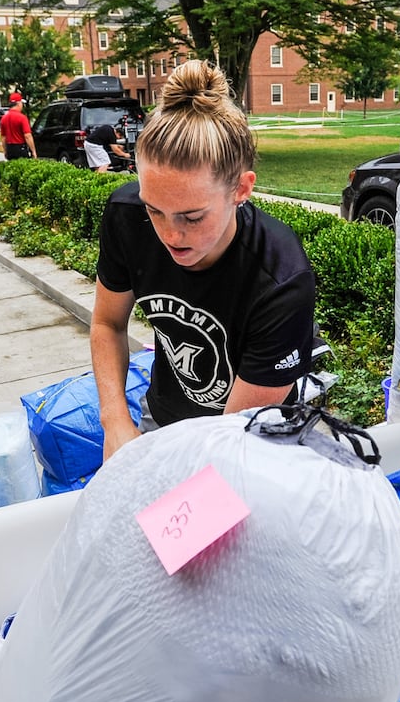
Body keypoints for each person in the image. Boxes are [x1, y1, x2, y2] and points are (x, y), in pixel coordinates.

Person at [90, 60, 317, 462]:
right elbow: (108, 324)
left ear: (241, 189)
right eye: (155, 210)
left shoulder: (281, 277)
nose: (170, 236)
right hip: (165, 417)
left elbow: (230, 445)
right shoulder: (126, 216)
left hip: (255, 441)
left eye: (192, 216)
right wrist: (116, 421)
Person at [0, 92, 36, 160]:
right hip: (20, 148)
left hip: (10, 148)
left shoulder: (4, 118)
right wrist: (33, 151)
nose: (22, 105)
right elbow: (27, 136)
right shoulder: (22, 118)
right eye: (22, 103)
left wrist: (5, 151)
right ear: (18, 103)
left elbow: (3, 137)